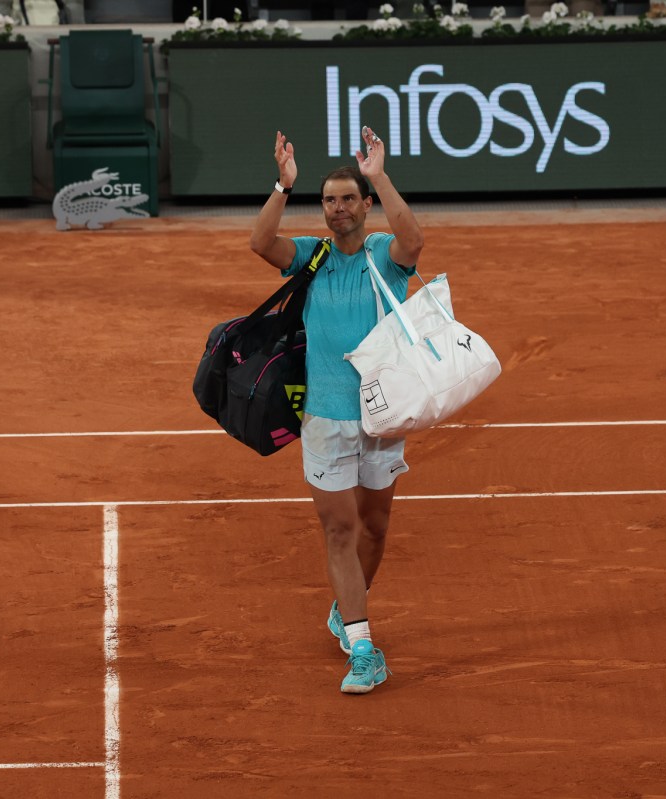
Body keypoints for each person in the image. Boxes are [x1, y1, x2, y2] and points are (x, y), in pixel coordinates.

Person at [249, 125, 424, 694]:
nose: (338, 208)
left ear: (365, 205)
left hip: (383, 414)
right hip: (323, 415)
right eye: (330, 200)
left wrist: (380, 174)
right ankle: (365, 646)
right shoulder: (309, 255)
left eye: (350, 198)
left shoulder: (383, 255)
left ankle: (345, 609)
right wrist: (283, 185)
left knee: (375, 526)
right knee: (340, 528)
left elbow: (413, 240)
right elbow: (261, 243)